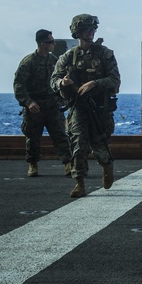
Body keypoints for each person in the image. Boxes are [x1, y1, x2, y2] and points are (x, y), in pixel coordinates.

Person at [51, 14, 121, 199]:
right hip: (77, 107)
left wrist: (95, 84)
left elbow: (115, 80)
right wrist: (62, 83)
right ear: (77, 32)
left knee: (100, 145)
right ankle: (79, 183)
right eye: (87, 30)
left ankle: (107, 166)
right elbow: (54, 80)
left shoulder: (105, 54)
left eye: (93, 29)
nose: (91, 33)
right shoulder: (68, 57)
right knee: (78, 145)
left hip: (99, 108)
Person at [13, 29, 72, 177]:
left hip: (53, 105)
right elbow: (19, 85)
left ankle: (68, 164)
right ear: (43, 44)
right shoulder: (28, 62)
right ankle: (32, 164)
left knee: (60, 135)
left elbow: (61, 81)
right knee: (33, 137)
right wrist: (28, 102)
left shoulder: (55, 62)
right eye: (51, 42)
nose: (54, 44)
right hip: (35, 106)